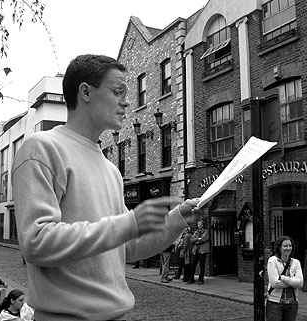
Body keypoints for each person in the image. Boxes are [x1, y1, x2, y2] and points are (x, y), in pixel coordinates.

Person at [12, 54, 200, 321]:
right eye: (117, 91)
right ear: (86, 92)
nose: (126, 101)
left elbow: (128, 247)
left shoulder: (111, 169)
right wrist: (129, 223)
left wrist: (177, 220)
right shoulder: (41, 149)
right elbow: (36, 242)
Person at [266, 236, 303, 321]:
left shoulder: (296, 262)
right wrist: (293, 282)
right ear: (279, 247)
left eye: (290, 246)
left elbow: (300, 284)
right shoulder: (273, 261)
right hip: (275, 303)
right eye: (285, 246)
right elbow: (275, 283)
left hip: (292, 303)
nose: (288, 248)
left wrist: (283, 278)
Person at [188, 219, 210, 284]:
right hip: (195, 250)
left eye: (200, 224)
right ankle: (191, 279)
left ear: (202, 225)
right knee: (193, 265)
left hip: (202, 251)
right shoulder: (196, 232)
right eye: (198, 224)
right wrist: (198, 239)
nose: (199, 225)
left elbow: (203, 239)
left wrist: (197, 240)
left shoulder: (206, 231)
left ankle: (201, 279)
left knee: (202, 265)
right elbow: (191, 240)